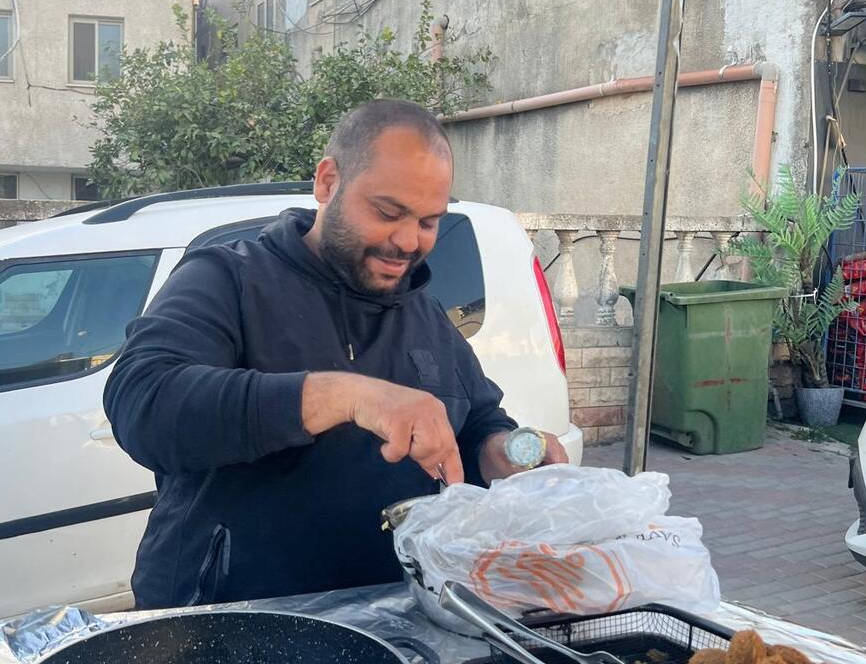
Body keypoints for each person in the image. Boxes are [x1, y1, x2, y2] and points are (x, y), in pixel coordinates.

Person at [105, 99, 566, 608]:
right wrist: (346, 396)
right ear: (328, 183)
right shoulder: (228, 278)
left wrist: (503, 449)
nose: (409, 241)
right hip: (228, 626)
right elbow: (142, 401)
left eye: (430, 222)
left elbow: (478, 418)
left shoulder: (426, 314)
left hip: (390, 621)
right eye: (388, 212)